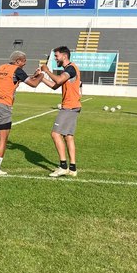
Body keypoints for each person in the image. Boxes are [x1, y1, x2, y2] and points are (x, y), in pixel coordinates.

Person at [37, 46, 81, 177]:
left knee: (55, 134)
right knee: (68, 136)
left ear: (64, 56)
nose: (55, 58)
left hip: (69, 107)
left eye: (56, 56)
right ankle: (72, 168)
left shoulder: (71, 68)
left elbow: (58, 80)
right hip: (73, 107)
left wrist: (47, 71)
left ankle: (63, 166)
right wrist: (41, 77)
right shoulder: (67, 70)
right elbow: (55, 86)